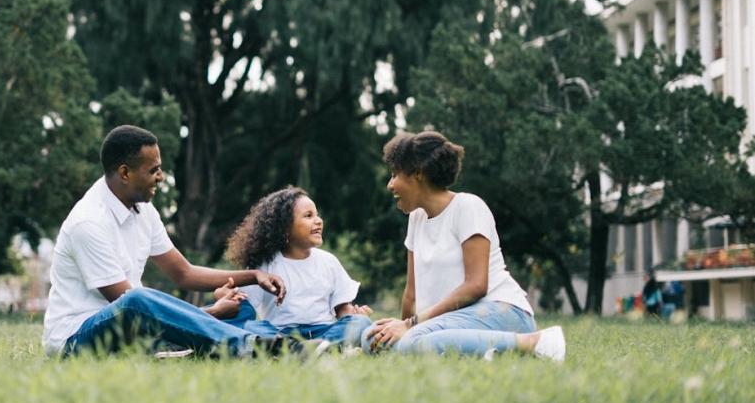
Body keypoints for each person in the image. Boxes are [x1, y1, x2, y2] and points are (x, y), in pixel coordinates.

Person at [41, 125, 302, 359]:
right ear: (124, 173)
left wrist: (254, 276)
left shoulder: (143, 210)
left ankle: (288, 342)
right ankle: (250, 346)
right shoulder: (89, 222)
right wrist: (210, 314)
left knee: (240, 309)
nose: (161, 176)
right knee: (136, 299)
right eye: (153, 170)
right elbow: (131, 308)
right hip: (76, 340)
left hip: (133, 331)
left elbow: (184, 273)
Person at [362, 130, 566, 362]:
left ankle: (534, 342)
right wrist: (399, 329)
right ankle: (482, 351)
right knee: (371, 340)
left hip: (500, 311)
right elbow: (411, 294)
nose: (390, 185)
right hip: (449, 321)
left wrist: (411, 326)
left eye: (394, 174)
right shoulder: (416, 219)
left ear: (417, 173)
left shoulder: (468, 207)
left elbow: (476, 286)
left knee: (414, 341)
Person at [219, 187, 374, 348]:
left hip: (324, 331)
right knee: (253, 327)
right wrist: (227, 296)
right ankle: (301, 348)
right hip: (280, 334)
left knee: (361, 322)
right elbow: (245, 306)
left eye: (317, 214)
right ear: (284, 229)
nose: (318, 220)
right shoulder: (264, 265)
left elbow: (342, 307)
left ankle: (316, 347)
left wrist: (352, 317)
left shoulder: (329, 261)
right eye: (308, 216)